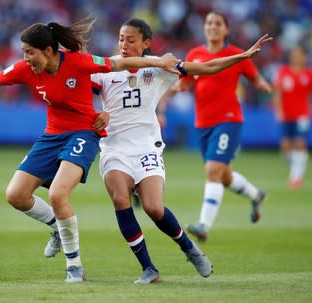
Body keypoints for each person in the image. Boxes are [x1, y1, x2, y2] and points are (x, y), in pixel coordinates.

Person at [0, 18, 181, 283]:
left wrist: (159, 61)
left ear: (48, 51)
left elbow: (121, 63)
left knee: (59, 195)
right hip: (52, 136)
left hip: (84, 132)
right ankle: (57, 228)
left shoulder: (77, 62)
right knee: (16, 195)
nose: (26, 58)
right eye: (23, 52)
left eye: (29, 52)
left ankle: (74, 267)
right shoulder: (25, 69)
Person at [90, 18, 272, 283]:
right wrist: (97, 113)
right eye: (121, 38)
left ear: (146, 43)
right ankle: (149, 269)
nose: (124, 44)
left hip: (145, 147)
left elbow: (206, 67)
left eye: (131, 40)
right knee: (121, 199)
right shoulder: (106, 68)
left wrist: (242, 56)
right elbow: (81, 95)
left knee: (153, 207)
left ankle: (189, 248)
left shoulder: (161, 68)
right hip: (114, 148)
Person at [164, 12, 273, 242]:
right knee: (224, 176)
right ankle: (256, 196)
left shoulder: (235, 54)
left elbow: (253, 76)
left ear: (225, 29)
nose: (212, 27)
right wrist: (167, 88)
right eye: (209, 23)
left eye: (217, 24)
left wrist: (262, 84)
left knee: (213, 170)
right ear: (204, 28)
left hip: (229, 119)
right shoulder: (195, 54)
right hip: (203, 123)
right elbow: (184, 84)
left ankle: (204, 225)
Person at [272, 45, 312, 189]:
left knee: (300, 144)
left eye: (300, 54)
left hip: (302, 115)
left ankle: (296, 178)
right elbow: (278, 93)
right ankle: (296, 167)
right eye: (294, 54)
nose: (297, 57)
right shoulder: (283, 72)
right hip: (286, 115)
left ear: (304, 57)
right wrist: (279, 111)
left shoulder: (308, 74)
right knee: (286, 147)